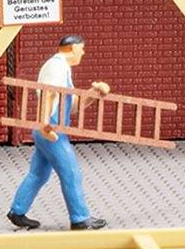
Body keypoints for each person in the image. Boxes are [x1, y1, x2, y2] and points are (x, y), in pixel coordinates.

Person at [7, 33, 110, 231]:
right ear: (72, 48)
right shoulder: (55, 67)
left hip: (50, 130)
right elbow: (48, 94)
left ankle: (17, 211)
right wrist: (45, 124)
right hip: (51, 132)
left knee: (38, 174)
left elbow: (72, 106)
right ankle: (80, 218)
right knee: (71, 173)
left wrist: (94, 94)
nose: (83, 53)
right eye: (81, 49)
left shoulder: (63, 68)